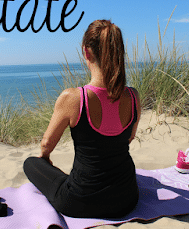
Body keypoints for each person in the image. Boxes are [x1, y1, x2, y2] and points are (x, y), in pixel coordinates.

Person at [23, 19, 141, 218]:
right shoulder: (133, 96)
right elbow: (129, 137)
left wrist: (45, 159)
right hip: (127, 199)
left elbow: (46, 144)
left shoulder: (73, 98)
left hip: (81, 202)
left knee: (30, 163)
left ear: (86, 52)